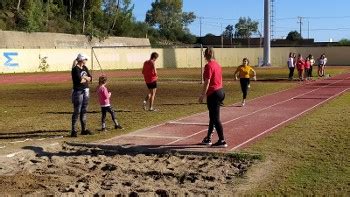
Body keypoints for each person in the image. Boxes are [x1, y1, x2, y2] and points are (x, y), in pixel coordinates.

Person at [199, 47, 227, 148]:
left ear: (205, 55)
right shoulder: (217, 65)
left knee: (215, 118)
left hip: (213, 93)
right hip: (220, 91)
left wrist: (202, 94)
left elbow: (207, 82)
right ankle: (208, 138)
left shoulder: (208, 66)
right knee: (212, 117)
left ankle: (222, 140)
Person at [71, 53, 92, 137]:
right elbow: (80, 80)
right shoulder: (75, 69)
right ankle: (74, 130)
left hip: (86, 90)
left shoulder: (85, 68)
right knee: (77, 110)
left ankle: (84, 129)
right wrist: (85, 78)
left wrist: (85, 78)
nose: (86, 61)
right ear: (81, 60)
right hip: (78, 91)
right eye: (85, 59)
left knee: (84, 110)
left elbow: (90, 78)